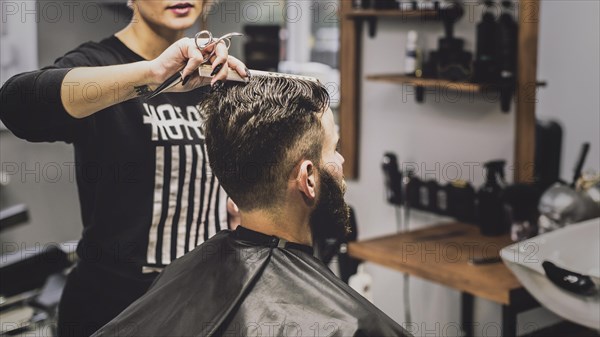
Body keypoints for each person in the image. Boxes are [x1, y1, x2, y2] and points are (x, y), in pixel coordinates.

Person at [90, 76, 412, 337]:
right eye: (333, 149)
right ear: (308, 179)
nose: (340, 161)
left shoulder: (178, 277)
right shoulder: (356, 326)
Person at [0, 1, 247, 336]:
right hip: (114, 307)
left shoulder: (217, 76)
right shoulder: (100, 63)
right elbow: (17, 105)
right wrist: (153, 73)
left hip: (203, 301)